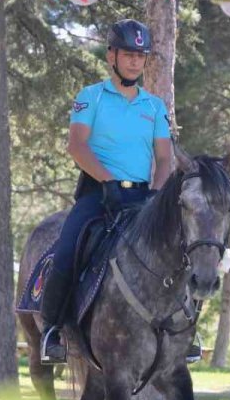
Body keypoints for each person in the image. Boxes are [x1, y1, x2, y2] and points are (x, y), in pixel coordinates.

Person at [39, 19, 176, 365]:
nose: (135, 62)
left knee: (180, 252)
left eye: (140, 56)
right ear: (111, 56)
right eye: (128, 54)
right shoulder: (90, 98)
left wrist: (157, 195)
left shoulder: (154, 107)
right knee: (68, 249)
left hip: (142, 199)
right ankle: (52, 331)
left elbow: (164, 158)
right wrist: (107, 181)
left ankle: (182, 332)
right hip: (97, 195)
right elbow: (78, 146)